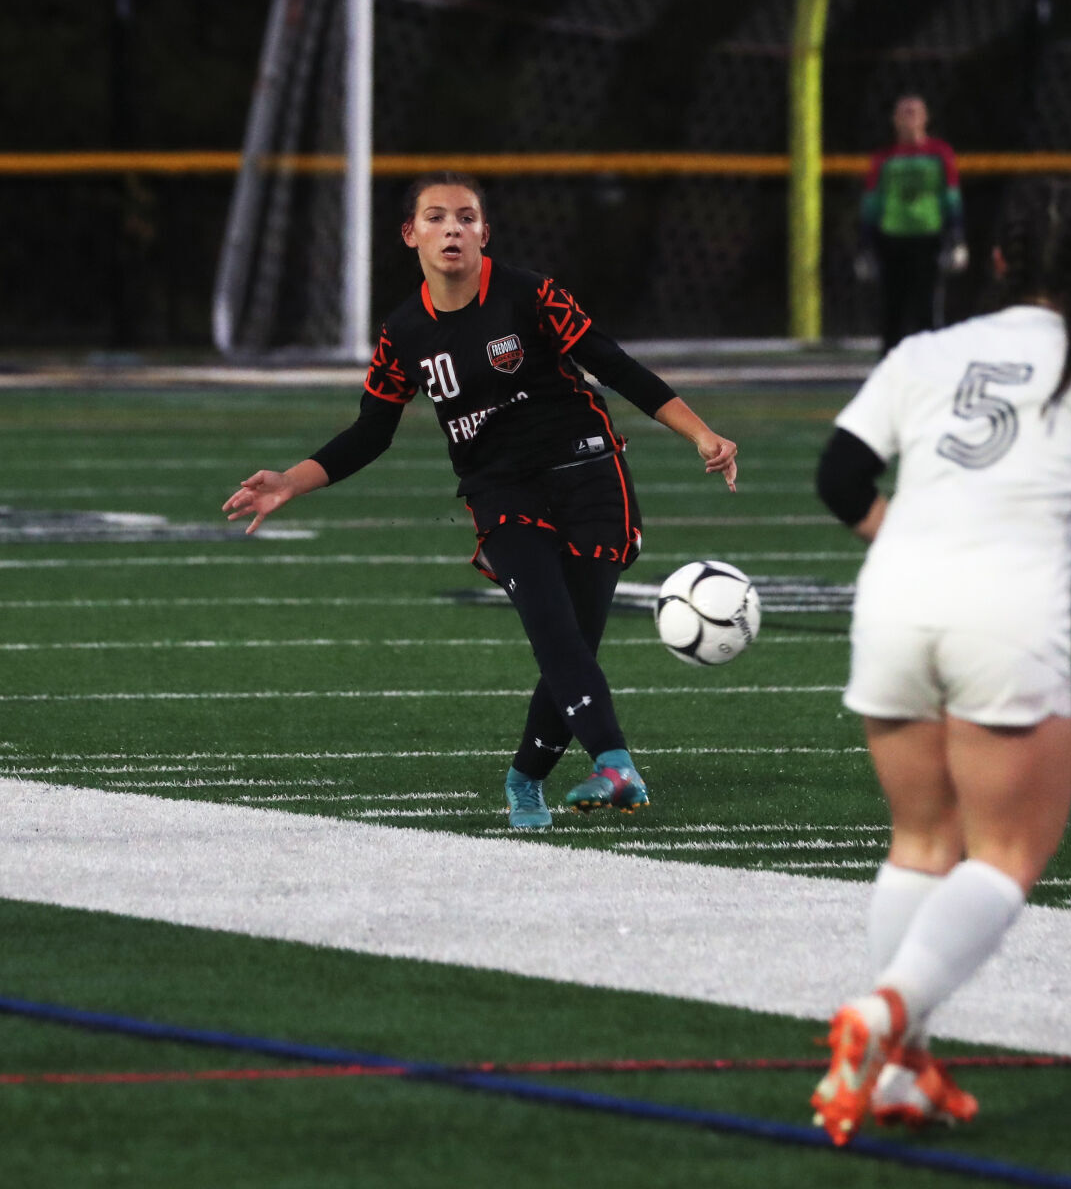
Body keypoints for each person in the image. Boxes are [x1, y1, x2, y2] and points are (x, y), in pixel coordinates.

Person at [811, 177, 1071, 1145]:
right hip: (1000, 616)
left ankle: (890, 1079)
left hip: (892, 605)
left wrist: (902, 542)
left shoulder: (923, 351)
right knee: (1008, 853)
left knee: (920, 843)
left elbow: (838, 477)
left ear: (997, 261)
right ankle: (883, 1017)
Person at [223, 172, 738, 829]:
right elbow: (371, 431)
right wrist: (291, 479)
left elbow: (611, 362)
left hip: (590, 478)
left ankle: (525, 777)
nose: (453, 229)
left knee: (574, 642)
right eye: (436, 218)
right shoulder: (405, 332)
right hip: (502, 493)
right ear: (411, 235)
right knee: (553, 629)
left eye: (466, 218)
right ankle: (615, 764)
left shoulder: (530, 294)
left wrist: (701, 434)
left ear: (484, 234)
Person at [855, 94, 969, 354]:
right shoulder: (884, 157)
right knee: (892, 306)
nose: (909, 119)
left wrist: (957, 238)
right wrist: (865, 245)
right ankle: (889, 363)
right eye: (904, 113)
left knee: (927, 306)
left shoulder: (940, 154)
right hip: (892, 238)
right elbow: (872, 202)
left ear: (926, 118)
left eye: (915, 112)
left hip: (928, 237)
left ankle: (930, 361)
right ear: (894, 120)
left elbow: (950, 197)